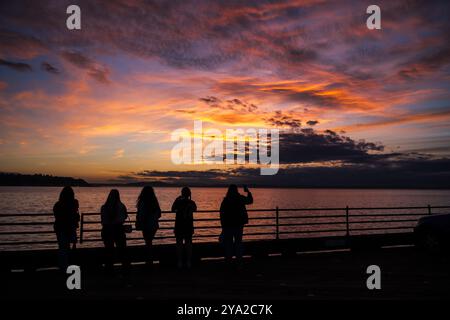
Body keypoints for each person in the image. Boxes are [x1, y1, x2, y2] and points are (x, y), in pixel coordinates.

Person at [220, 184, 253, 265]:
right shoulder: (240, 198)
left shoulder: (226, 200)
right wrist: (248, 192)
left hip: (228, 226)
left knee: (229, 244)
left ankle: (228, 261)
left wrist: (223, 226)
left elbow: (222, 213)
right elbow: (250, 201)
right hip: (239, 225)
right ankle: (239, 262)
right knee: (238, 243)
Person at [101, 189, 129, 274]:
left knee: (108, 250)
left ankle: (109, 269)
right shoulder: (121, 206)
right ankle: (125, 269)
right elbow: (124, 217)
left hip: (107, 229)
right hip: (118, 229)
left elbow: (102, 219)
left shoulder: (104, 207)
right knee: (122, 250)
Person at [53, 186, 80, 271]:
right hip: (70, 228)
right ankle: (66, 265)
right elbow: (76, 216)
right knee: (67, 248)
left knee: (62, 247)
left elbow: (56, 216)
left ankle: (63, 265)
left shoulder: (58, 204)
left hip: (60, 228)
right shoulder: (74, 203)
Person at [171, 187, 197, 269]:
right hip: (188, 226)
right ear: (189, 194)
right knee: (189, 244)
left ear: (182, 193)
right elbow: (195, 209)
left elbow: (172, 209)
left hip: (179, 225)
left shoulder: (178, 202)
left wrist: (176, 199)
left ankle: (180, 262)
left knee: (179, 244)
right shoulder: (192, 202)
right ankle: (188, 262)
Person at [135, 186, 161, 267]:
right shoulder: (154, 201)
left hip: (145, 225)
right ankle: (150, 261)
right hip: (154, 225)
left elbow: (141, 215)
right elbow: (159, 214)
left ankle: (149, 261)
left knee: (148, 242)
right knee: (149, 242)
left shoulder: (142, 202)